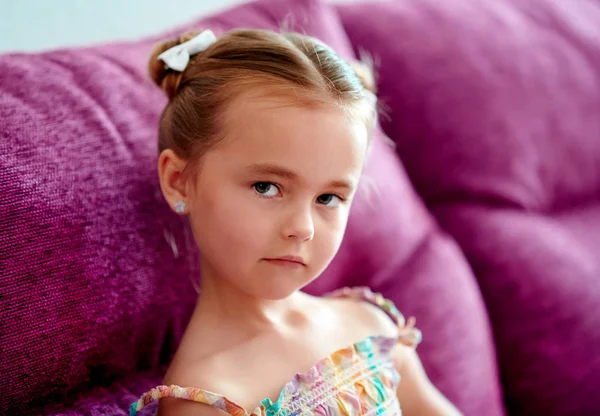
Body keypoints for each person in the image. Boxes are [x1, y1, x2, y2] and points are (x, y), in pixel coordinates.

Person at [130, 28, 461, 416]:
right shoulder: (208, 398)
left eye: (328, 198)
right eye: (267, 187)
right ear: (178, 181)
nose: (302, 227)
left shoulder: (368, 326)